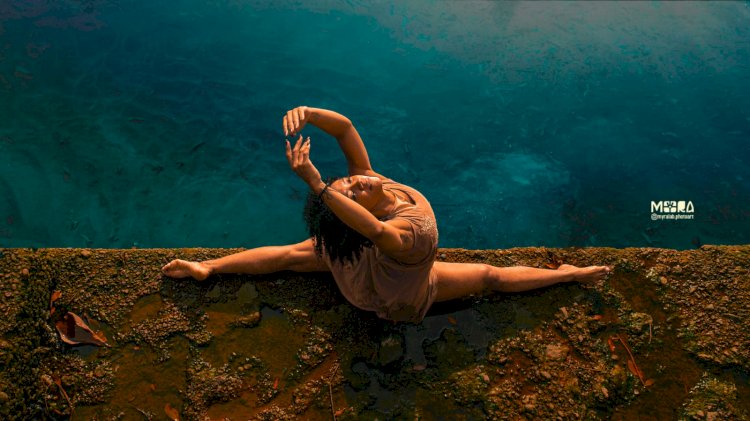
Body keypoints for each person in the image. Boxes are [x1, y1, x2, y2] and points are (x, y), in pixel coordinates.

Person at [161, 106, 612, 323]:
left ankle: (208, 269)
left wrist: (310, 113)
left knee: (292, 255)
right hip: (386, 292)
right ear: (356, 213)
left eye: (349, 180)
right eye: (353, 190)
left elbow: (346, 130)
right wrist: (318, 186)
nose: (358, 181)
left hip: (350, 257)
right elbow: (373, 228)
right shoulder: (403, 236)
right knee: (491, 276)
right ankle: (567, 275)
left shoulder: (367, 187)